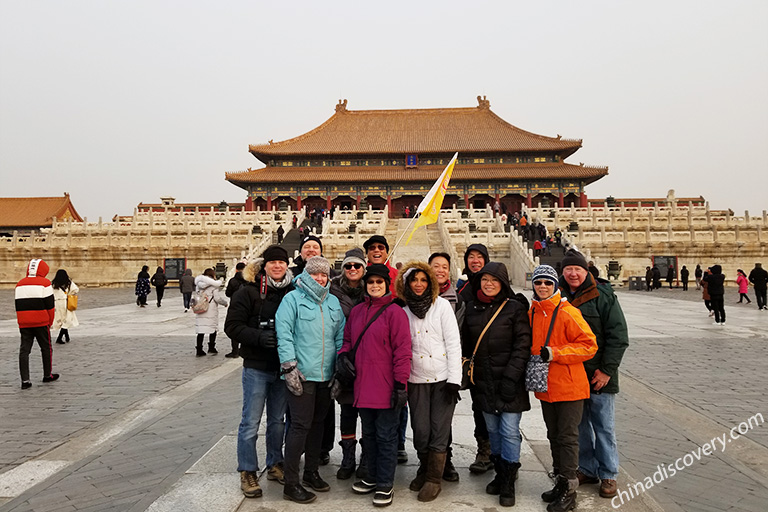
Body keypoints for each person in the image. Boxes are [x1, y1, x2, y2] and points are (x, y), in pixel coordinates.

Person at [558, 250, 629, 500]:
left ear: (586, 270)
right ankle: (587, 468)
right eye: (568, 270)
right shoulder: (560, 296)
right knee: (579, 425)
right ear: (563, 272)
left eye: (577, 269)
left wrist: (608, 371)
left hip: (599, 375)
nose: (573, 274)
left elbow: (618, 336)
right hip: (573, 375)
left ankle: (609, 473)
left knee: (604, 426)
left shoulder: (603, 295)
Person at [225, 245, 294, 499]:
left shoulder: (293, 291)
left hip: (282, 367)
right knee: (251, 422)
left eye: (281, 262)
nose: (277, 266)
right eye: (272, 262)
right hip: (256, 366)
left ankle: (276, 462)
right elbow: (231, 326)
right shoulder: (248, 292)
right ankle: (248, 470)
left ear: (287, 265)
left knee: (278, 421)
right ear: (264, 265)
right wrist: (257, 337)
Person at [276, 256, 345, 504]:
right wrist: (289, 367)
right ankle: (291, 483)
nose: (319, 278)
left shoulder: (333, 302)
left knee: (318, 424)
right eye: (315, 274)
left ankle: (311, 471)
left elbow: (340, 337)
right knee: (300, 426)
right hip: (302, 375)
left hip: (326, 375)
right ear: (306, 275)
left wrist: (339, 367)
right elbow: (284, 334)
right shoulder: (292, 299)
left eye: (323, 274)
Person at [462, 261, 531, 507]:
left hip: (509, 381)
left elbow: (522, 345)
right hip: (483, 381)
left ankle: (509, 480)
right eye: (484, 279)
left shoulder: (514, 308)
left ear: (502, 282)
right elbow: (466, 345)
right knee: (492, 431)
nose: (489, 284)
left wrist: (512, 377)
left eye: (494, 280)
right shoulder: (471, 308)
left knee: (510, 431)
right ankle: (501, 474)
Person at [341, 264, 411, 507]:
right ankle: (371, 475)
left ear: (386, 285)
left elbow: (403, 352)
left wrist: (400, 385)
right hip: (362, 384)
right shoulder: (358, 311)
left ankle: (385, 482)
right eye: (370, 282)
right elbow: (348, 339)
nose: (374, 286)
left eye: (379, 282)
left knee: (386, 436)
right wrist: (343, 355)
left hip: (386, 386)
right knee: (368, 434)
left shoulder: (395, 312)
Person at [529, 265, 597, 512]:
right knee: (554, 435)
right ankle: (560, 481)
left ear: (555, 285)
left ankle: (570, 490)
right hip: (546, 386)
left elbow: (589, 345)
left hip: (569, 386)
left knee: (568, 438)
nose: (543, 287)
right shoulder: (534, 312)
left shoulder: (568, 312)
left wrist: (556, 353)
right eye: (539, 283)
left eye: (548, 283)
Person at [395, 262, 461, 502]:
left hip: (443, 378)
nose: (419, 284)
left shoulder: (442, 306)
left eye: (423, 280)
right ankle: (424, 466)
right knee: (421, 430)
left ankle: (434, 478)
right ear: (407, 284)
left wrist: (455, 379)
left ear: (430, 282)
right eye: (414, 280)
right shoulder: (402, 310)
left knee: (439, 429)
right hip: (416, 378)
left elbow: (453, 343)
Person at [329, 248, 368, 480]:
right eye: (348, 266)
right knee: (347, 410)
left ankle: (366, 456)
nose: (352, 269)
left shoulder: (373, 289)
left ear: (363, 269)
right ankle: (347, 456)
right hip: (343, 356)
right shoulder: (332, 291)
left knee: (368, 410)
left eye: (357, 266)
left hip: (368, 358)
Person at [429, 252, 464, 482]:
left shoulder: (458, 299)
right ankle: (427, 463)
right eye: (435, 266)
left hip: (446, 365)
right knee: (423, 423)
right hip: (422, 368)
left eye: (444, 266)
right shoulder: (417, 293)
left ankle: (445, 460)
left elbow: (457, 338)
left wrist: (455, 375)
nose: (440, 270)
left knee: (444, 420)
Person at [16, 259, 58, 389]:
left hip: (24, 323)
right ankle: (47, 375)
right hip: (41, 321)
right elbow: (50, 306)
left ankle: (25, 380)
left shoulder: (19, 284)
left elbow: (18, 305)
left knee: (24, 350)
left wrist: (21, 321)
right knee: (46, 348)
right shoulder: (45, 283)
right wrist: (50, 322)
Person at [194, 268, 228, 356]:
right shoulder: (214, 285)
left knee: (201, 330)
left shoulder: (199, 285)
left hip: (200, 308)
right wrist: (224, 303)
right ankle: (211, 347)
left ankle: (199, 349)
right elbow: (217, 298)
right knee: (213, 329)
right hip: (210, 309)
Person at [51, 269, 79, 344]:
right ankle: (59, 338)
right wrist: (69, 293)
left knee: (63, 319)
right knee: (67, 319)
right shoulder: (68, 283)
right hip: (65, 302)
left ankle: (67, 336)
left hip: (57, 303)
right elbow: (76, 289)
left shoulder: (54, 284)